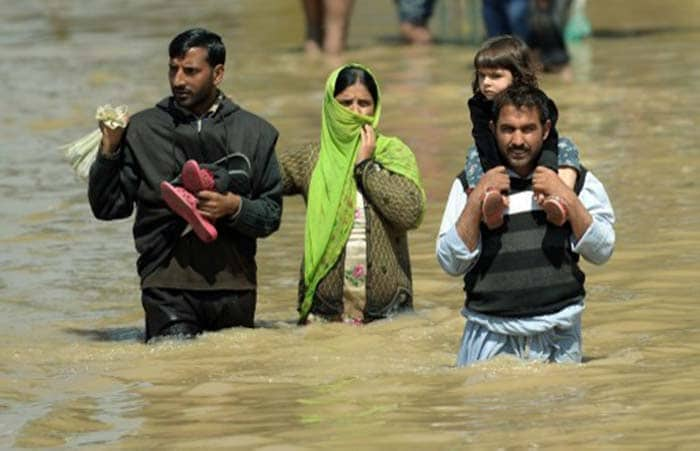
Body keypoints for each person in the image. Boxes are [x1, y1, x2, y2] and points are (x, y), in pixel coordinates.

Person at [88, 28, 283, 342]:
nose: (178, 80)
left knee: (236, 383)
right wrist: (109, 150)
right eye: (173, 69)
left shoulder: (256, 132)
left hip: (234, 287)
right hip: (165, 286)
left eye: (190, 71)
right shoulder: (142, 129)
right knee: (172, 379)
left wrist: (234, 208)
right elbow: (108, 208)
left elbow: (271, 216)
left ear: (218, 74)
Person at [436, 84, 615, 365]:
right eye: (508, 129)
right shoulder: (469, 183)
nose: (518, 140)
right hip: (488, 336)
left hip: (560, 335)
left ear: (545, 130)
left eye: (527, 129)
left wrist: (565, 195)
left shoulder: (575, 180)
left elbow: (602, 250)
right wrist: (476, 201)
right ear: (493, 129)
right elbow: (450, 262)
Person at [277, 63, 426, 325]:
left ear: (375, 107)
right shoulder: (313, 159)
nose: (355, 112)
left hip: (387, 315)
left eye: (364, 103)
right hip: (325, 314)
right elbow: (262, 179)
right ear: (331, 106)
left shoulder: (393, 154)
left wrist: (365, 167)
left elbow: (410, 213)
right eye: (345, 103)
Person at [465, 35, 579, 229]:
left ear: (517, 77)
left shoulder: (537, 102)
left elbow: (550, 138)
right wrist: (494, 175)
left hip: (538, 155)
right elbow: (483, 141)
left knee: (567, 146)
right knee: (473, 154)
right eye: (482, 75)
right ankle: (487, 202)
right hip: (495, 156)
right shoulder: (479, 105)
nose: (486, 83)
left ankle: (560, 198)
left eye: (495, 76)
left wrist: (547, 171)